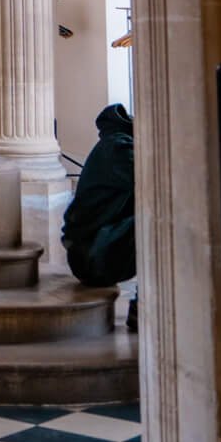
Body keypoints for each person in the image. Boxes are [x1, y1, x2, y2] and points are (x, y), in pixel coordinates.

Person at [63, 102, 138, 330]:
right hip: (92, 256)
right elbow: (164, 182)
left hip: (91, 251)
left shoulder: (117, 143)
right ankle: (147, 305)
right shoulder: (119, 149)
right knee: (158, 223)